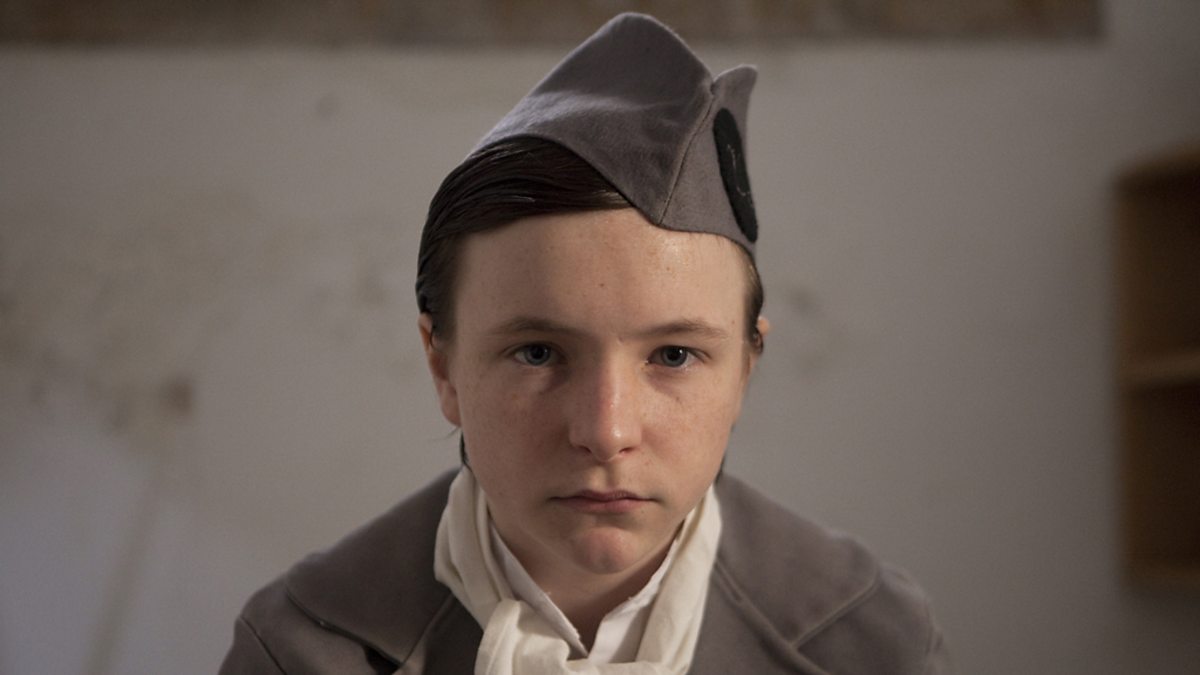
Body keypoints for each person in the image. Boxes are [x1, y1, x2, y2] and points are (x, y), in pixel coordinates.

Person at [220, 12, 949, 675]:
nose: (605, 432)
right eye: (538, 352)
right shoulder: (299, 651)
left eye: (673, 355)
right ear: (442, 364)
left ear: (745, 369)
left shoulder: (873, 646)